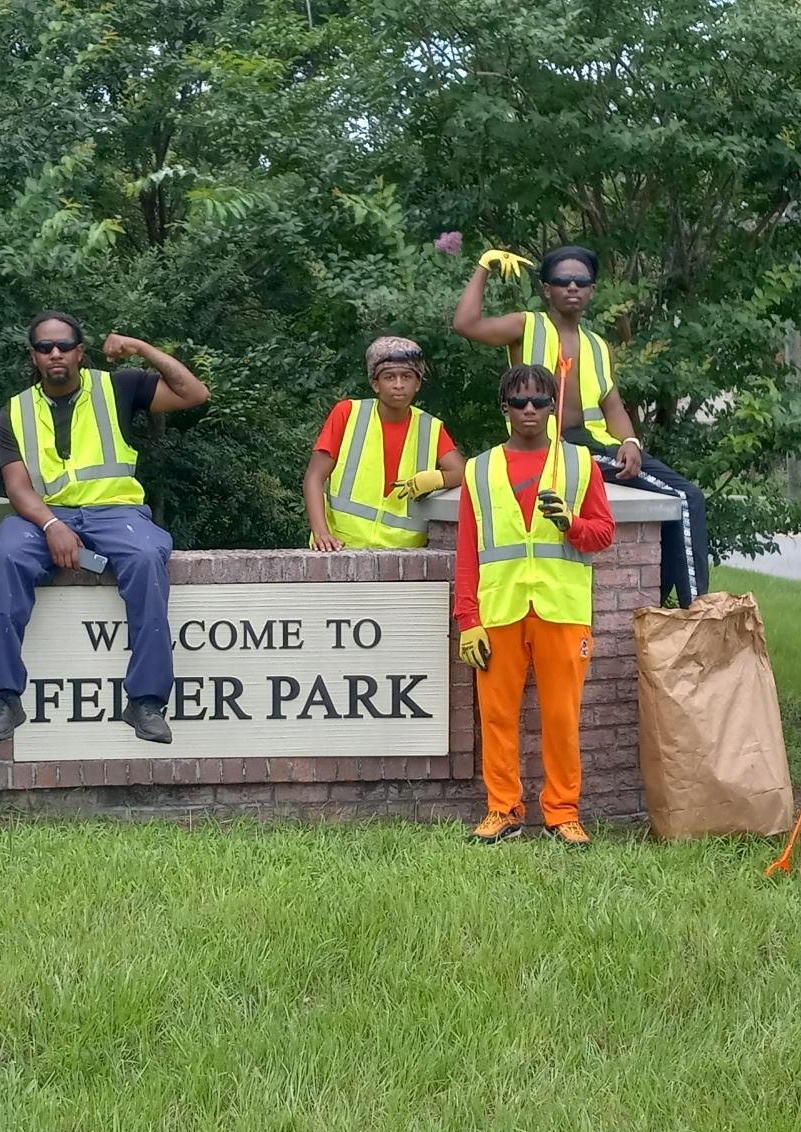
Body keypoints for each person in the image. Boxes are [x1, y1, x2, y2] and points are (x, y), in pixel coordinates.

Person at [0, 312, 209, 746]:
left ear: (80, 352)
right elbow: (17, 486)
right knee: (5, 555)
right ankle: (2, 699)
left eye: (64, 345)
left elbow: (193, 392)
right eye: (45, 347)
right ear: (34, 356)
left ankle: (146, 701)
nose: (55, 353)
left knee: (145, 558)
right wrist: (51, 525)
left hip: (115, 513)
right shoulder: (14, 410)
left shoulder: (116, 386)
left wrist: (140, 348)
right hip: (43, 516)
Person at [452, 244, 708, 606]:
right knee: (683, 498)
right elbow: (466, 324)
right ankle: (696, 609)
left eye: (581, 282)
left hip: (598, 447)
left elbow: (613, 405)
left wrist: (631, 442)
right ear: (547, 289)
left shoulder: (597, 345)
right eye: (562, 281)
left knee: (685, 498)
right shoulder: (528, 326)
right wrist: (484, 267)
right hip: (556, 448)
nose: (572, 287)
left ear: (591, 290)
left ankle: (660, 600)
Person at [456, 364, 614, 847]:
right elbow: (468, 551)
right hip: (499, 610)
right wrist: (468, 620)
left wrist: (571, 524)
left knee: (562, 717)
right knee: (497, 717)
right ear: (504, 408)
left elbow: (603, 533)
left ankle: (562, 812)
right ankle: (502, 809)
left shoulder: (580, 464)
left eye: (539, 401)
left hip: (562, 610)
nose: (529, 409)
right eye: (519, 401)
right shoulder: (477, 470)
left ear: (552, 408)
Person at [303, 336, 467, 550]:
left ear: (417, 384)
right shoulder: (348, 413)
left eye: (407, 376)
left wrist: (436, 479)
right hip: (341, 548)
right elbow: (314, 477)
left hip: (405, 556)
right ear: (375, 384)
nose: (398, 385)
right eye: (389, 377)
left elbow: (462, 472)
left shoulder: (430, 427)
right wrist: (321, 534)